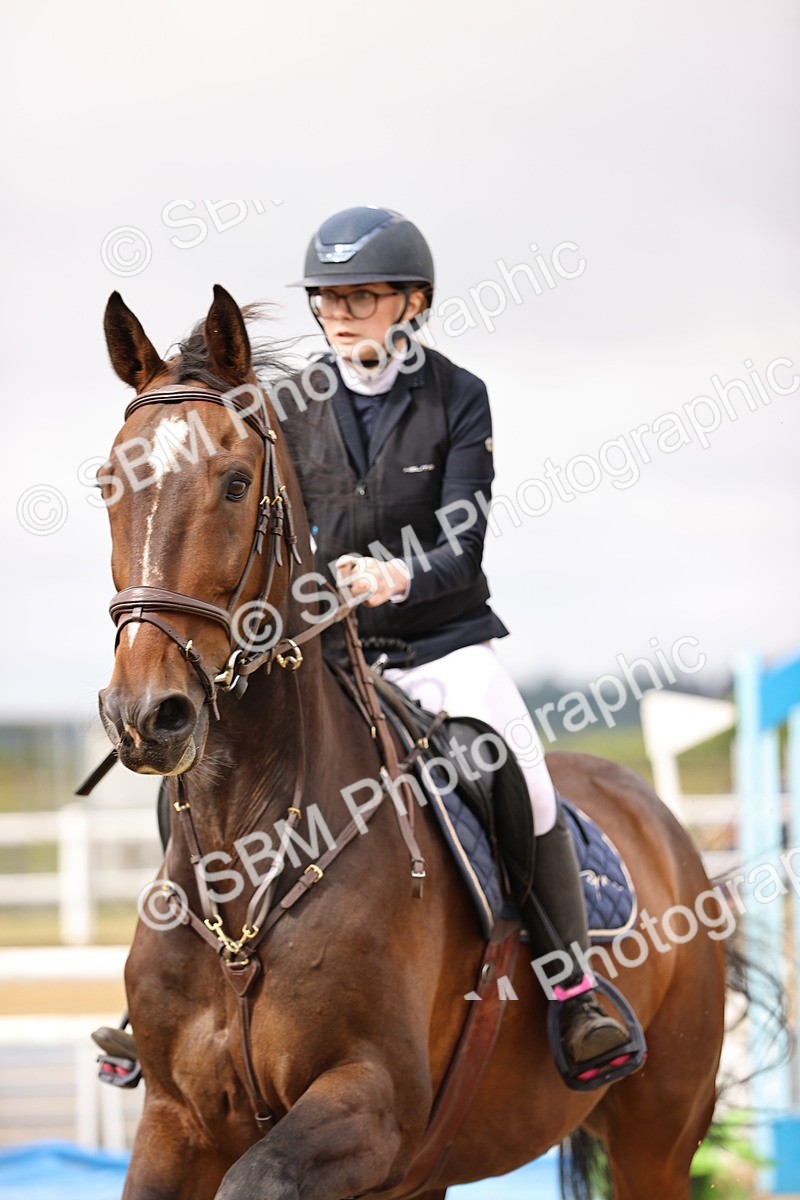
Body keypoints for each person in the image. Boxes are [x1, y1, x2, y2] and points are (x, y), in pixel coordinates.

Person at [282, 205, 636, 1083]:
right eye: (326, 299)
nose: (338, 314)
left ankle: (574, 994)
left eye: (360, 297)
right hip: (333, 656)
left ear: (412, 303)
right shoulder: (290, 406)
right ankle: (161, 1000)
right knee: (222, 765)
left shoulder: (457, 396)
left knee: (528, 780)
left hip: (441, 647)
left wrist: (392, 576)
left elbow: (461, 544)